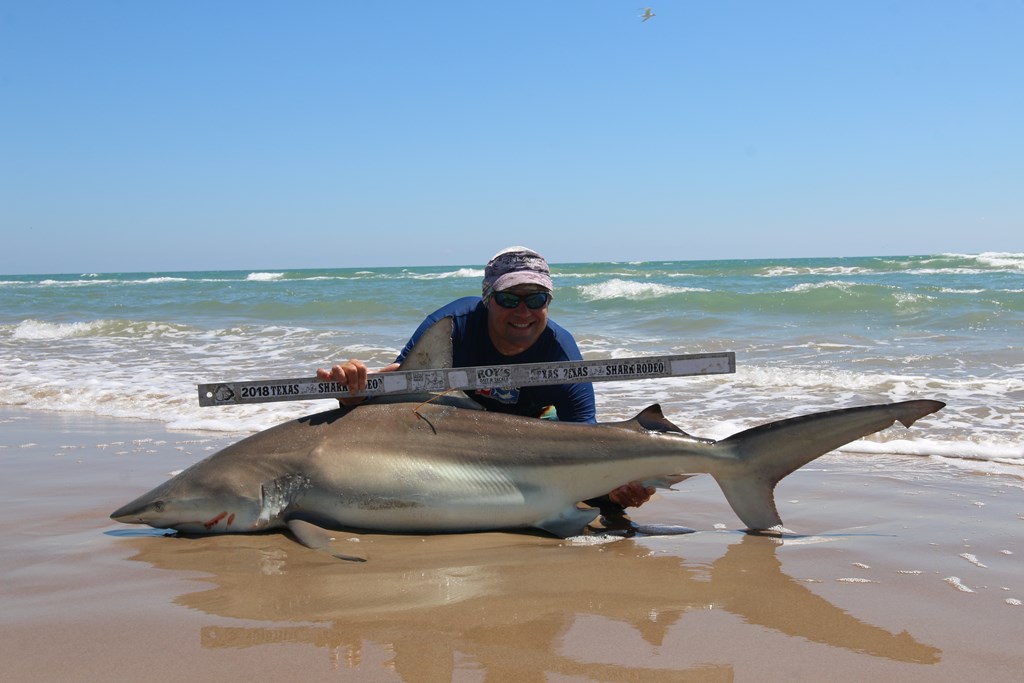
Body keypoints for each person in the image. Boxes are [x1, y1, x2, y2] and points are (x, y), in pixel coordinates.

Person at [316, 246, 653, 510]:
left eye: (536, 299)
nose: (523, 312)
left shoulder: (559, 353)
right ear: (487, 298)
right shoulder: (450, 326)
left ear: (549, 301)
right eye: (509, 298)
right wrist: (355, 391)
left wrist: (610, 494)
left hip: (522, 437)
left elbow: (586, 446)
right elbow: (400, 394)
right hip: (449, 438)